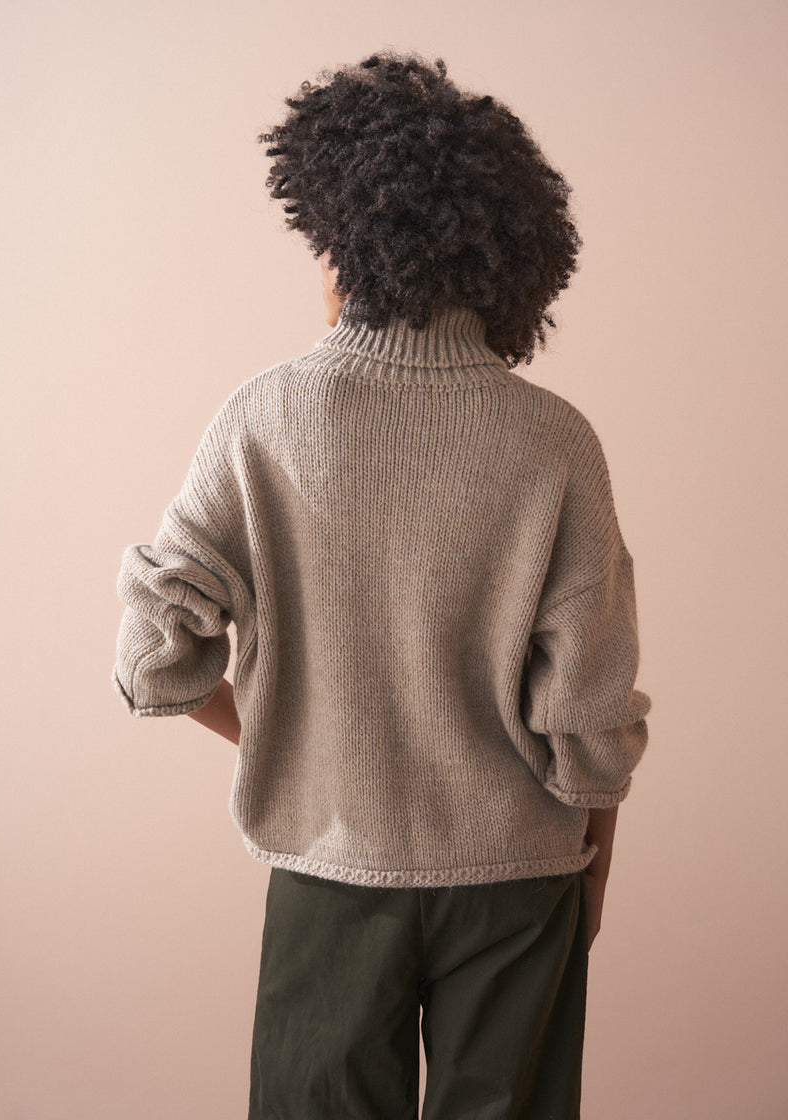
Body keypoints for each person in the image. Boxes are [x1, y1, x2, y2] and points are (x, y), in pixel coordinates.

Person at [111, 48, 651, 1120]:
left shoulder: (264, 419)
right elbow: (588, 715)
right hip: (518, 881)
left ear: (346, 239)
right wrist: (590, 871)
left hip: (329, 875)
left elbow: (151, 655)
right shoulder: (552, 442)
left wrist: (285, 736)